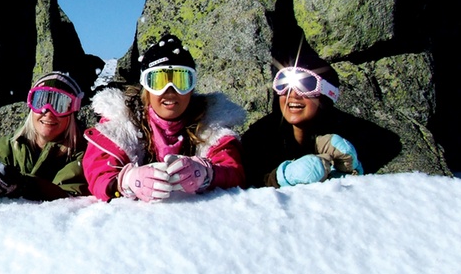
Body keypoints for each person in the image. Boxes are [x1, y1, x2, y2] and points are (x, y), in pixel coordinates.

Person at [83, 34, 245, 202]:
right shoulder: (121, 124)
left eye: (181, 80)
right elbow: (99, 173)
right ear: (145, 87)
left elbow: (233, 171)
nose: (170, 91)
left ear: (192, 88)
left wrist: (207, 173)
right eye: (158, 81)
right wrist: (126, 181)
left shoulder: (212, 126)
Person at [241, 54, 364, 188]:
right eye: (284, 84)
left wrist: (353, 171)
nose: (293, 94)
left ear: (326, 95)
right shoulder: (258, 137)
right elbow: (245, 182)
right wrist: (281, 177)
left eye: (306, 84)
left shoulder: (350, 134)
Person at [0, 71, 89, 201]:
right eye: (40, 102)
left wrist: (23, 185)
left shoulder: (82, 154)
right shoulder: (9, 147)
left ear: (72, 112)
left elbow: (69, 199)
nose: (48, 112)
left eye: (60, 105)